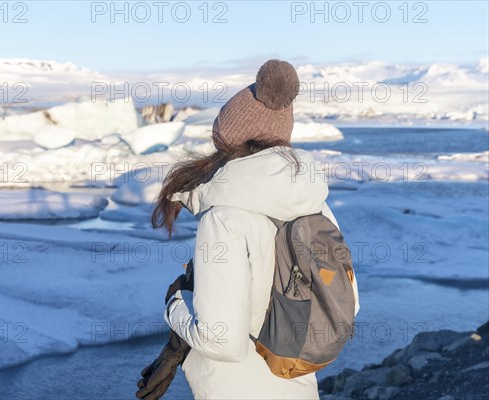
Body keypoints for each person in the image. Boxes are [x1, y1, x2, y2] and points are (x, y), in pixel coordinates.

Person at [137, 60, 358, 400]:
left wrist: (174, 307)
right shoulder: (314, 203)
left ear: (226, 136)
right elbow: (349, 304)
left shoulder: (224, 217)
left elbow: (221, 341)